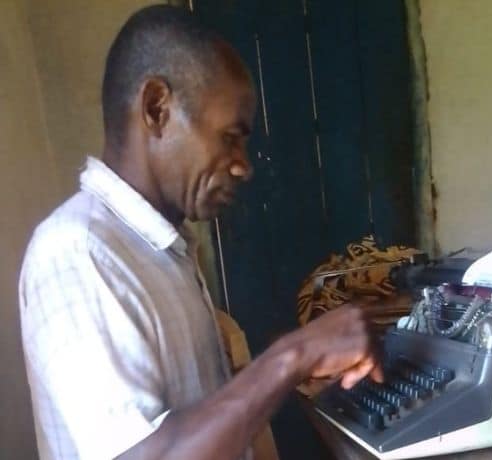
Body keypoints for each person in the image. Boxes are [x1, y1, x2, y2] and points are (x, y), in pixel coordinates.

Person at [18, 5, 382, 460]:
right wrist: (293, 356)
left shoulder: (157, 250)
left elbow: (188, 415)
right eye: (230, 136)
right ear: (156, 109)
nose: (243, 165)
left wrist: (283, 371)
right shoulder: (80, 252)